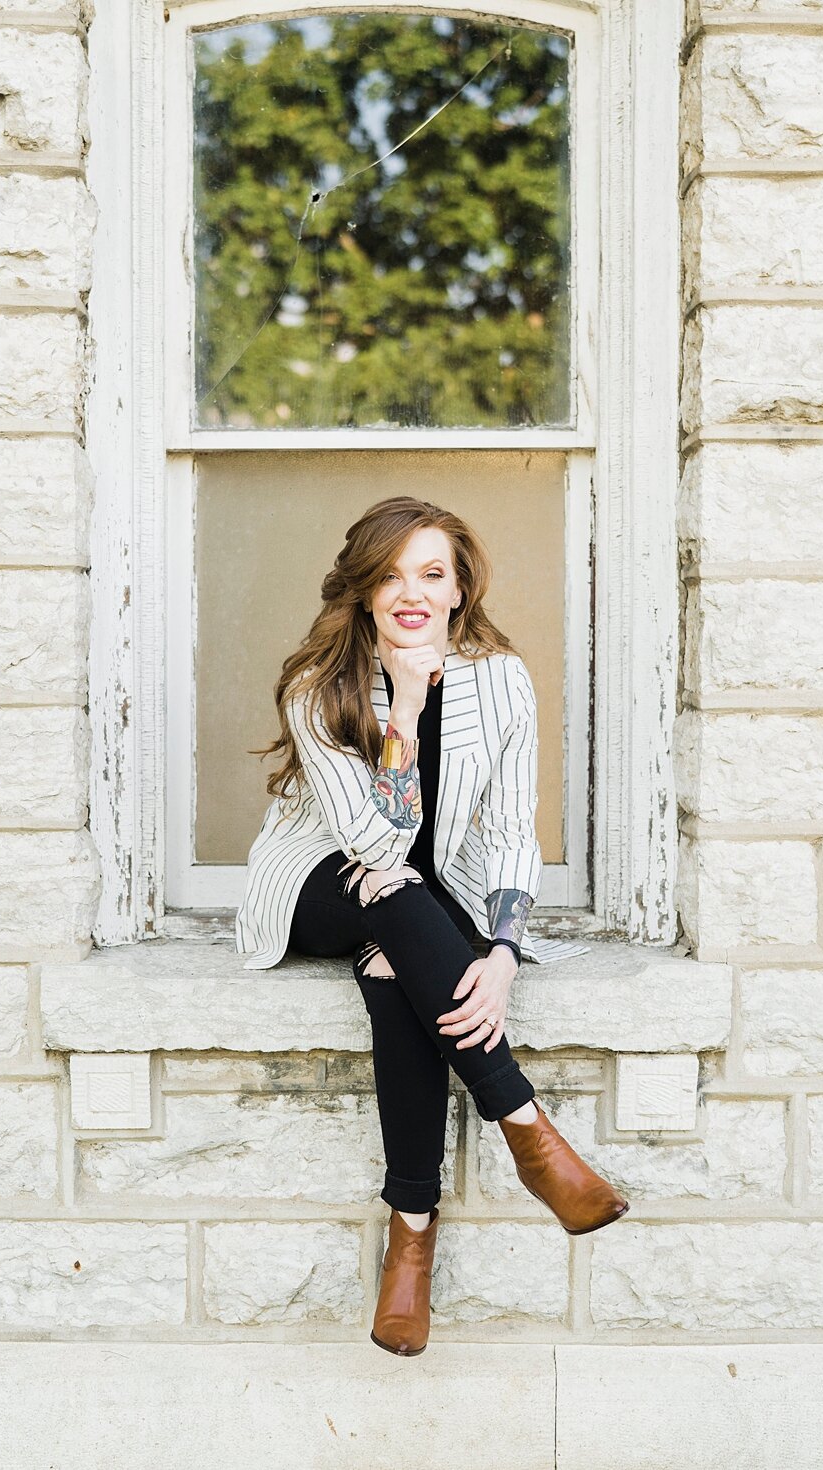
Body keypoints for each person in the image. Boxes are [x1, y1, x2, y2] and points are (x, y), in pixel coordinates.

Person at [235, 496, 629, 1356]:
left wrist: (503, 953)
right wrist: (404, 708)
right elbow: (376, 842)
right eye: (390, 575)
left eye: (431, 573)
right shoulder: (321, 686)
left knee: (394, 969)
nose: (410, 591)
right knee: (387, 893)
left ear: (458, 590)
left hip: (419, 898)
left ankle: (409, 1234)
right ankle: (524, 1125)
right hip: (318, 884)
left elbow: (509, 832)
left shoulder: (502, 680)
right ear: (365, 591)